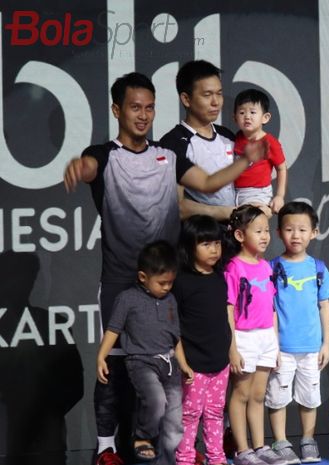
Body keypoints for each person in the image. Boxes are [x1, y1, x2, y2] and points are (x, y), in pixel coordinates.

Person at [63, 72, 264, 465]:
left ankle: (174, 447)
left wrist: (243, 162)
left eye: (149, 107)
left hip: (169, 281)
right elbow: (88, 167)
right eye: (135, 107)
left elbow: (206, 182)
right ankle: (106, 448)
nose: (143, 115)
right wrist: (78, 167)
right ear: (117, 110)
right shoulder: (104, 155)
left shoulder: (168, 156)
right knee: (118, 362)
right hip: (122, 280)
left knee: (171, 365)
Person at [95, 241, 193, 465]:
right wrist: (101, 356)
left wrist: (184, 364)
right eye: (162, 283)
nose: (167, 287)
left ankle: (166, 461)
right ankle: (142, 436)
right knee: (156, 401)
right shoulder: (127, 299)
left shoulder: (170, 300)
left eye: (170, 282)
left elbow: (175, 337)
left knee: (174, 422)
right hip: (141, 362)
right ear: (142, 277)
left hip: (169, 364)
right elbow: (113, 329)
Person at [266, 202, 329, 463]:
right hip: (281, 349)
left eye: (302, 229)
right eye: (289, 229)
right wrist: (271, 347)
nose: (295, 235)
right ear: (278, 233)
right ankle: (280, 442)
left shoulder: (318, 268)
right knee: (277, 398)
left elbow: (324, 307)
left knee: (310, 397)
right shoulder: (271, 268)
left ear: (314, 233)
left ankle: (308, 440)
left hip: (311, 349)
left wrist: (326, 343)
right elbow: (269, 310)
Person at [160, 60, 271, 221]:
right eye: (207, 95)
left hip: (237, 238)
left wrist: (261, 207)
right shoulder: (173, 144)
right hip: (202, 240)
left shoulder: (228, 135)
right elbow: (178, 207)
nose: (216, 102)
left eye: (219, 93)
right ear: (186, 99)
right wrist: (231, 213)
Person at [224, 205, 284, 465]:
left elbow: (271, 308)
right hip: (244, 337)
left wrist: (276, 343)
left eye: (267, 231)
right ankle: (243, 450)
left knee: (259, 395)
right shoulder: (233, 268)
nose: (264, 236)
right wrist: (233, 347)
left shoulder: (266, 267)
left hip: (266, 339)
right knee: (241, 394)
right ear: (239, 235)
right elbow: (228, 310)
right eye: (258, 231)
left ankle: (259, 446)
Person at [172, 215, 233, 465]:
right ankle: (185, 458)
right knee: (189, 414)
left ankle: (216, 458)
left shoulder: (220, 277)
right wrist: (183, 362)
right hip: (193, 365)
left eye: (217, 243)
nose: (214, 249)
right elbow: (172, 327)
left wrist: (230, 353)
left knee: (215, 412)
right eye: (206, 244)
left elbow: (224, 319)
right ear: (189, 246)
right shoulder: (181, 282)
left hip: (220, 362)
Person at [232, 89, 288, 213]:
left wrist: (279, 196)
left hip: (258, 193)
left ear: (265, 118)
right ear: (235, 118)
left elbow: (281, 168)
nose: (247, 116)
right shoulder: (234, 139)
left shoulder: (270, 142)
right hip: (233, 192)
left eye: (252, 112)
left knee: (251, 224)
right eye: (241, 112)